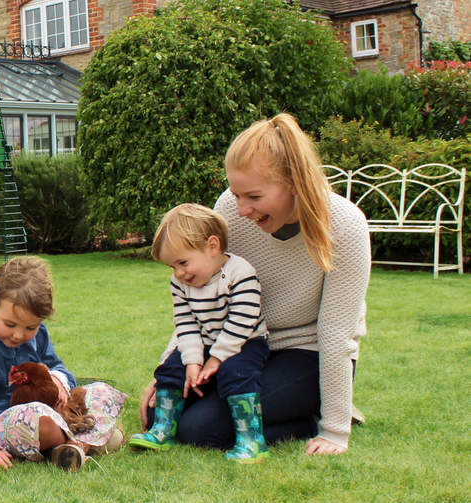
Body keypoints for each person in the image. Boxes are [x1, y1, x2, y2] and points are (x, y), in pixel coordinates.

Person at [138, 113, 370, 456]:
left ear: (293, 182)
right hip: (240, 345)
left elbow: (336, 335)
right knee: (165, 411)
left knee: (199, 429)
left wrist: (334, 430)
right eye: (236, 194)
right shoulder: (230, 210)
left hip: (306, 353)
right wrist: (167, 370)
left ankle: (314, 415)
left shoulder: (345, 225)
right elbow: (200, 298)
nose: (242, 208)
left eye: (254, 197)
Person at [0, 256, 126, 471]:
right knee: (36, 416)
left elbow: (60, 368)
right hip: (3, 426)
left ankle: (69, 447)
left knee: (102, 392)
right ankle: (88, 440)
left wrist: (57, 378)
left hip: (52, 415)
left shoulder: (39, 335)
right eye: (10, 324)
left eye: (30, 327)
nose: (19, 335)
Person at [129, 203, 271, 463]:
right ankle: (163, 429)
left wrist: (216, 359)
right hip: (206, 343)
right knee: (171, 368)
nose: (179, 273)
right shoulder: (180, 283)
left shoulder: (241, 274)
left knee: (235, 372)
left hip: (245, 343)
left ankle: (251, 439)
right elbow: (185, 323)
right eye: (172, 267)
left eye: (183, 262)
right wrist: (192, 360)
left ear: (213, 246)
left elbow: (243, 321)